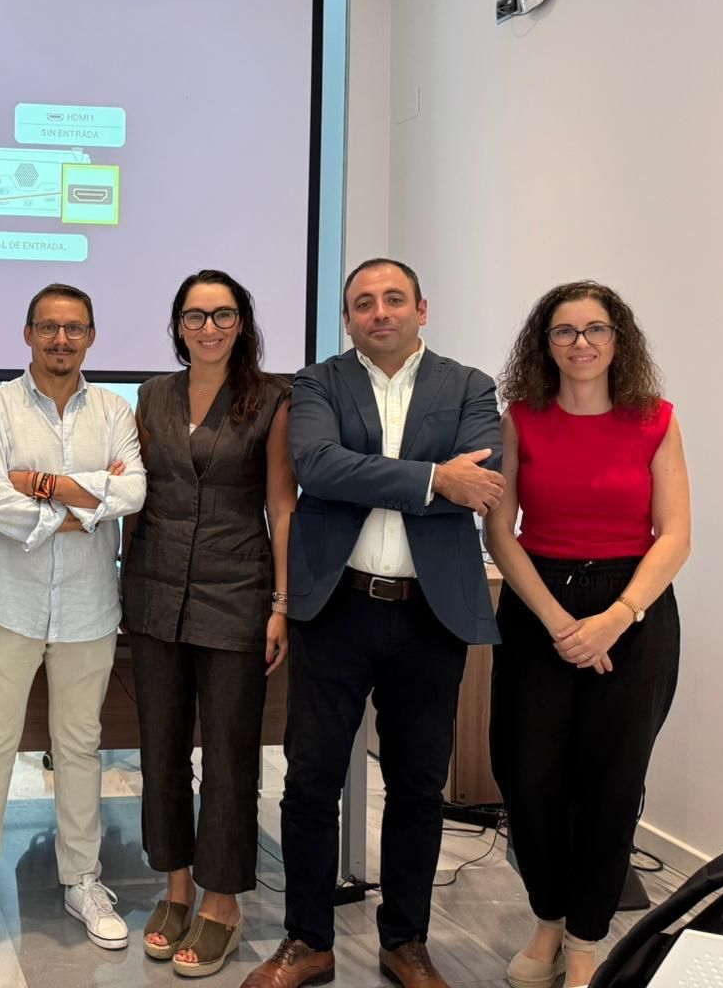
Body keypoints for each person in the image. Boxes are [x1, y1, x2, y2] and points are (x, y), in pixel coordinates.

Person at [241, 258, 504, 988]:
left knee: (418, 786)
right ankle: (307, 941)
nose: (378, 312)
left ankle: (406, 942)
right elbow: (319, 467)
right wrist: (432, 476)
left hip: (431, 614)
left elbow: (484, 477)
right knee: (311, 780)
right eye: (363, 303)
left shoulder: (470, 385)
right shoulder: (319, 383)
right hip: (337, 608)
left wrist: (437, 480)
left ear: (422, 307)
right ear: (348, 318)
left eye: (393, 300)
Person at [485, 282, 689, 988]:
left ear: (618, 339)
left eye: (595, 329)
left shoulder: (655, 419)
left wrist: (614, 617)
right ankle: (547, 918)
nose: (581, 344)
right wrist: (557, 622)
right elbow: (499, 529)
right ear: (544, 344)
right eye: (564, 332)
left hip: (633, 611)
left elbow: (676, 536)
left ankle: (585, 941)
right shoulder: (521, 419)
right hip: (538, 601)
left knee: (611, 781)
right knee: (528, 775)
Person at [0, 284, 145, 958]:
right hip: (8, 602)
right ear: (27, 334)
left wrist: (45, 484)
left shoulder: (115, 409)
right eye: (49, 328)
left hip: (88, 606)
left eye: (74, 329)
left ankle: (82, 878)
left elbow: (134, 490)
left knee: (81, 746)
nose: (61, 340)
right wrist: (90, 496)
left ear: (91, 336)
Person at [122, 270, 296, 978]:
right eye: (195, 316)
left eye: (223, 315)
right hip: (156, 594)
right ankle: (175, 888)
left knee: (228, 759)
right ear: (178, 326)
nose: (210, 328)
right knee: (160, 750)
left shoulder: (271, 398)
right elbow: (133, 496)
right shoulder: (150, 397)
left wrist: (282, 603)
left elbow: (282, 505)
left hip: (236, 593)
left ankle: (222, 903)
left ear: (243, 323)